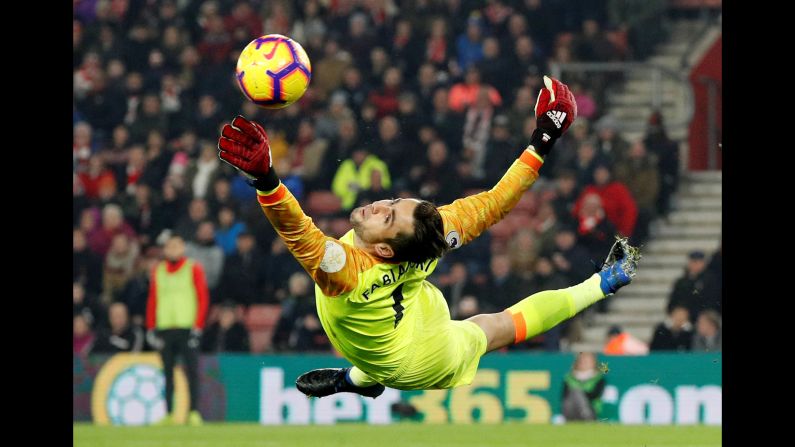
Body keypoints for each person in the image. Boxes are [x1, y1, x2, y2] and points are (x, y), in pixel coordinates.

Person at [216, 76, 639, 398]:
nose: (381, 206)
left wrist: (265, 179)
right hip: (410, 302)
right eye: (393, 202)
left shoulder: (347, 271)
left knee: (494, 328)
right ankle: (361, 377)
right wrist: (544, 136)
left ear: (382, 248)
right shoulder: (431, 233)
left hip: (419, 357)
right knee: (412, 324)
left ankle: (602, 283)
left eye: (388, 216)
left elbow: (298, 231)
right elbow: (496, 202)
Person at [145, 235, 209, 425]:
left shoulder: (193, 268)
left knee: (192, 371)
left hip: (187, 328)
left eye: (176, 246)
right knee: (166, 373)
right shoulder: (158, 270)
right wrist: (151, 327)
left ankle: (194, 412)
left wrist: (198, 326)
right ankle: (169, 413)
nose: (172, 250)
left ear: (182, 248)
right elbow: (153, 299)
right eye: (169, 247)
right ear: (165, 250)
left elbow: (202, 298)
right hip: (165, 328)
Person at [561, 352, 606, 421]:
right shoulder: (569, 377)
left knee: (577, 392)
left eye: (588, 361)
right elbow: (564, 396)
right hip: (571, 409)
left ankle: (587, 418)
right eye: (583, 361)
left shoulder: (598, 378)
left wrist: (580, 393)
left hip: (591, 409)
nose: (585, 363)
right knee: (574, 394)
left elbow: (595, 394)